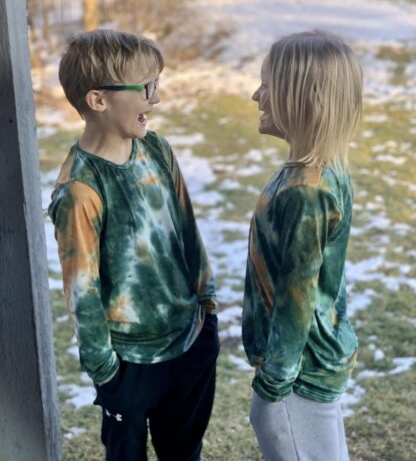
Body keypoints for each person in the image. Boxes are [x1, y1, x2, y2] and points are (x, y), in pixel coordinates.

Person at [48, 29, 219, 461]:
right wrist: (106, 372)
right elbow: (82, 291)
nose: (155, 99)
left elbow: (187, 229)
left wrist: (207, 306)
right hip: (129, 363)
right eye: (145, 88)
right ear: (98, 100)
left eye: (155, 84)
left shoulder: (157, 149)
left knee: (185, 453)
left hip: (190, 338)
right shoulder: (80, 190)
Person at [242, 30, 363, 461]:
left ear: (303, 98)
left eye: (267, 85)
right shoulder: (318, 173)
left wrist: (274, 383)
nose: (256, 95)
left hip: (297, 376)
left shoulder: (306, 191)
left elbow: (298, 296)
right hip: (306, 364)